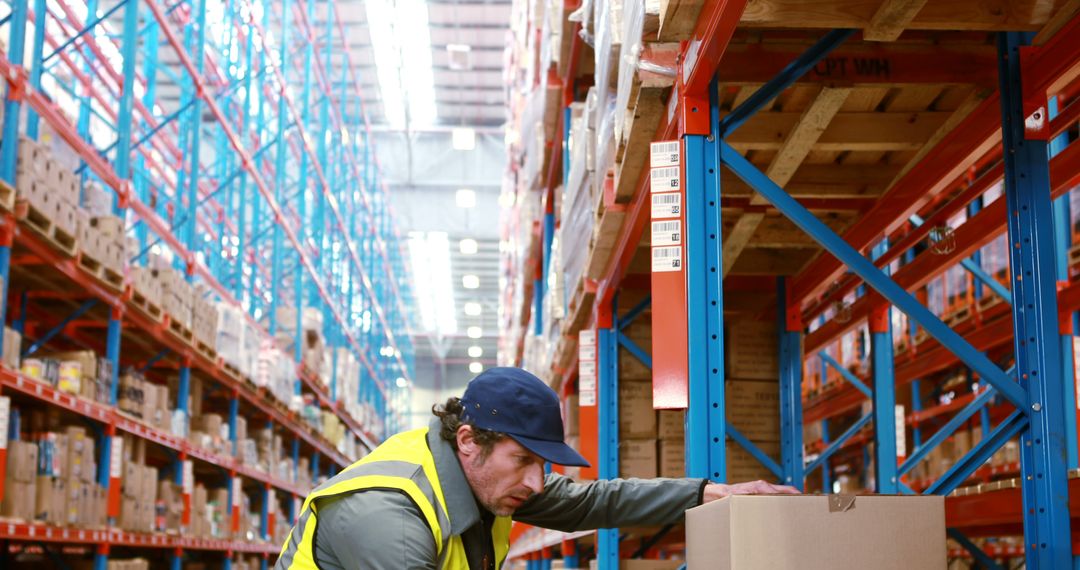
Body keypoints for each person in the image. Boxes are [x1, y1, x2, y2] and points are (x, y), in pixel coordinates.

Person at [276, 367, 798, 569]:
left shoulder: (485, 476)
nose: (536, 481)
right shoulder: (394, 521)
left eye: (542, 464)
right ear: (468, 441)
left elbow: (591, 500)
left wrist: (705, 494)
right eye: (524, 459)